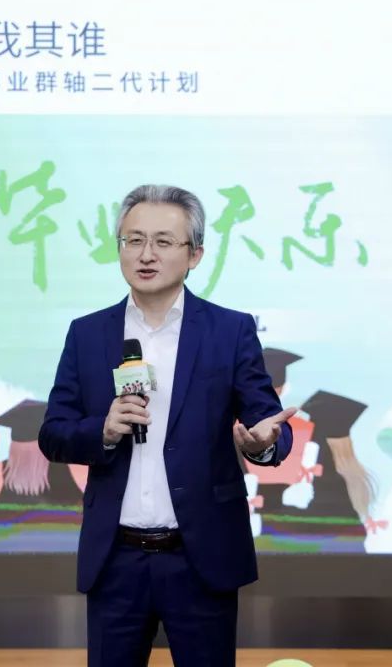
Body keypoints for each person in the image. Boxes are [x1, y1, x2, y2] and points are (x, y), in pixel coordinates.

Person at [38, 185, 295, 667]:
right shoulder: (87, 333)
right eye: (133, 240)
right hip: (116, 559)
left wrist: (261, 444)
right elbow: (53, 433)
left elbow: (268, 423)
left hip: (201, 557)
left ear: (195, 254)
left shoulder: (230, 331)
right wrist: (103, 431)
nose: (145, 254)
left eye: (163, 241)